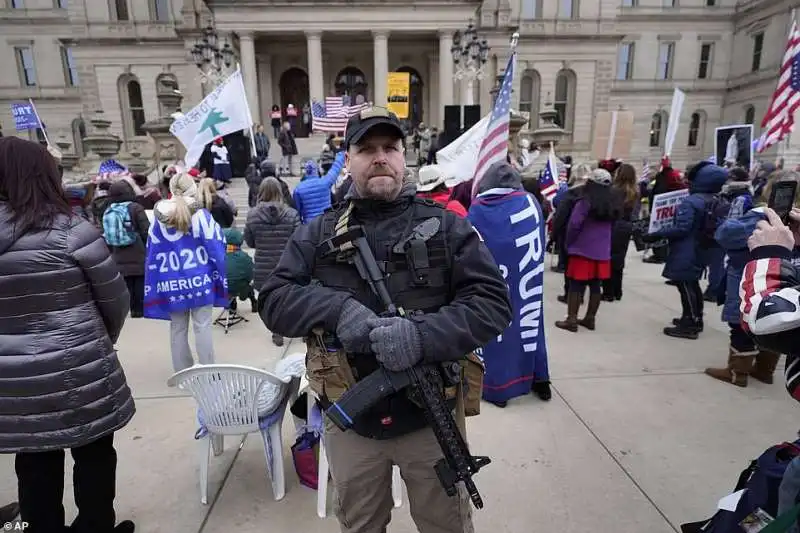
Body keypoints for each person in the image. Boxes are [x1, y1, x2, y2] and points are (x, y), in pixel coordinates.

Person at [258, 107, 511, 533]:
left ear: (404, 158)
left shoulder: (447, 227)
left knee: (446, 526)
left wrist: (421, 336)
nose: (380, 157)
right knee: (360, 526)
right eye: (367, 149)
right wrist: (335, 309)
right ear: (349, 159)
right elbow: (274, 302)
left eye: (390, 148)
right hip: (352, 422)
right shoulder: (317, 233)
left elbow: (492, 302)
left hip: (431, 419)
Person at [0, 137, 135, 533]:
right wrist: (97, 342)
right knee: (94, 456)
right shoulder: (73, 231)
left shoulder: (73, 231)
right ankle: (95, 526)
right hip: (80, 367)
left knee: (34, 463)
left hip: (15, 380)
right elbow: (116, 300)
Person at [468, 162, 551, 405]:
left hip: (495, 281)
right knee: (531, 325)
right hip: (527, 277)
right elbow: (540, 235)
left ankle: (499, 387)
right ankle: (540, 378)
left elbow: (473, 246)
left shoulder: (478, 209)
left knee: (498, 332)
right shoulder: (530, 203)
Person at [706, 170, 799, 386]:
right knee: (783, 324)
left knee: (743, 326)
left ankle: (738, 373)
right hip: (790, 287)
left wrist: (730, 221)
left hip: (754, 280)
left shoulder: (762, 218)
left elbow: (725, 235)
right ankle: (764, 370)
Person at [144, 172, 228, 372]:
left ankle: (182, 372)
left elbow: (151, 251)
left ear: (171, 190)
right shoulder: (201, 215)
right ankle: (209, 370)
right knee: (203, 326)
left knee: (177, 329)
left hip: (170, 281)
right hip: (200, 279)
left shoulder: (157, 218)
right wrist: (221, 270)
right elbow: (216, 245)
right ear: (193, 188)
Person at [644, 162, 728, 339]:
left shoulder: (692, 202)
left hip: (686, 248)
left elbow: (682, 228)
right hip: (703, 247)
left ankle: (691, 322)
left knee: (686, 286)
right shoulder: (717, 199)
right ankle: (692, 317)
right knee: (692, 285)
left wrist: (657, 234)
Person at [555, 168, 622, 332]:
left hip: (582, 249)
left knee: (576, 285)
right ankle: (590, 318)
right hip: (602, 251)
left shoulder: (585, 200)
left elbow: (574, 224)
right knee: (595, 285)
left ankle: (571, 319)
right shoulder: (613, 203)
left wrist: (568, 243)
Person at [244, 177, 301, 347]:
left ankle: (277, 331)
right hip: (287, 264)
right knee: (289, 298)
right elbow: (298, 240)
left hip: (263, 267)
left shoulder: (253, 215)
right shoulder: (292, 214)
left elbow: (250, 242)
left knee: (271, 302)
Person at [102, 180, 151, 318]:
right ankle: (139, 309)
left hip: (118, 252)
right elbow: (145, 230)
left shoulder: (108, 210)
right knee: (140, 280)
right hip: (137, 250)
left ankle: (130, 308)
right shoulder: (135, 208)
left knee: (127, 281)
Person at [603, 163, 640, 301]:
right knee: (619, 260)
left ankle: (608, 292)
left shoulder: (614, 190)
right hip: (627, 226)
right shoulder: (635, 191)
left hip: (615, 225)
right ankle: (618, 290)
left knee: (609, 259)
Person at [292, 151, 345, 223]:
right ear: (316, 170)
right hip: (326, 221)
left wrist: (302, 222)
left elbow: (298, 209)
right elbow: (336, 168)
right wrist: (341, 154)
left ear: (306, 172)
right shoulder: (325, 182)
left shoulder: (298, 188)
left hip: (309, 224)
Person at [223, 226, 257, 313]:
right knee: (247, 283)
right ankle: (253, 301)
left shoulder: (218, 256)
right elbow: (250, 274)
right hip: (240, 288)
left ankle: (232, 303)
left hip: (222, 289)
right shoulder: (244, 257)